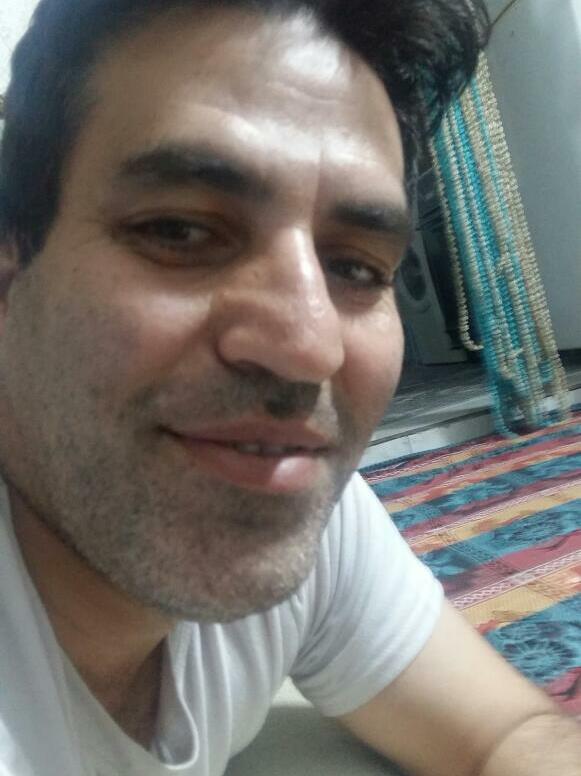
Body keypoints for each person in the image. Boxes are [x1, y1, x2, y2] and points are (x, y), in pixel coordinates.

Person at [0, 1, 579, 774]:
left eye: (355, 268)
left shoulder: (274, 476)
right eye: (179, 230)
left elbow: (505, 733)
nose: (310, 346)